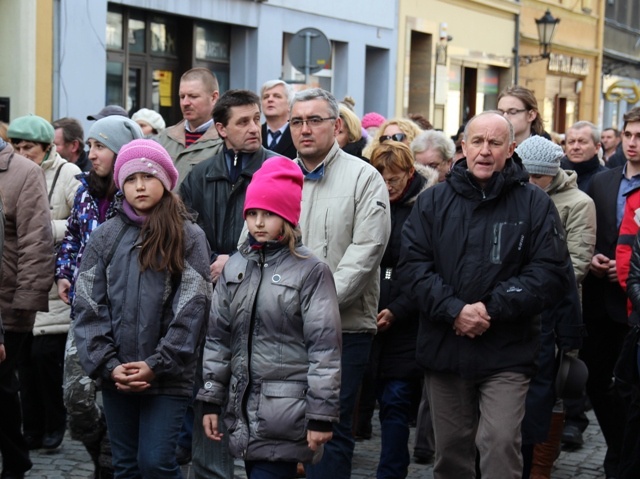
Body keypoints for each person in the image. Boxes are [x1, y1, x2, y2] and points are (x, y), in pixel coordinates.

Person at [397, 111, 568, 479]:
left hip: (507, 350)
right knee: (452, 454)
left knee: (500, 443)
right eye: (477, 141)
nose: (485, 151)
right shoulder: (433, 202)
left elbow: (549, 273)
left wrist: (491, 309)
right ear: (463, 147)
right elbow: (411, 268)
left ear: (511, 149)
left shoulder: (535, 204)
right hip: (445, 348)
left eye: (494, 143)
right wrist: (454, 310)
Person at [72, 139, 211, 478]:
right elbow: (88, 304)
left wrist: (156, 363)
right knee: (125, 465)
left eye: (148, 177)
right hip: (116, 376)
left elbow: (192, 308)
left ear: (165, 180)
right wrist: (108, 364)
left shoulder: (188, 236)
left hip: (167, 376)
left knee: (156, 462)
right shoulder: (106, 236)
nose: (139, 186)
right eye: (131, 179)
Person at [197, 156, 342, 478]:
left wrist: (321, 415)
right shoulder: (235, 267)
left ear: (287, 218)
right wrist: (210, 398)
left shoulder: (311, 271)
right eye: (253, 214)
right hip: (243, 408)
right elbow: (218, 339)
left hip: (287, 411)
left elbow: (325, 349)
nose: (259, 222)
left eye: (269, 214)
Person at [288, 88, 391, 479]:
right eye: (297, 121)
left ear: (335, 126)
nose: (304, 129)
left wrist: (316, 305)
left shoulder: (364, 178)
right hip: (283, 329)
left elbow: (366, 253)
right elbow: (254, 242)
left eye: (314, 120)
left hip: (343, 329)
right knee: (282, 429)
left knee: (328, 431)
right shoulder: (279, 174)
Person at [179, 88, 276, 478]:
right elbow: (183, 237)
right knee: (210, 393)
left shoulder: (278, 169)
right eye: (243, 122)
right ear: (220, 129)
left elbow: (292, 240)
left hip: (266, 304)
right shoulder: (199, 176)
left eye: (257, 119)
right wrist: (209, 265)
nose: (254, 128)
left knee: (263, 400)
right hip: (211, 304)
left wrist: (236, 260)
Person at [56, 116, 143, 478]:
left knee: (118, 395)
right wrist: (63, 272)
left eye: (100, 147)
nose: (92, 154)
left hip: (125, 312)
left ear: (122, 151)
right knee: (75, 398)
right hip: (84, 309)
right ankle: (99, 448)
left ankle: (111, 460)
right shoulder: (83, 191)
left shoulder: (139, 193)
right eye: (90, 146)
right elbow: (73, 237)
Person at [517, 135, 596, 478]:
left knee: (554, 392)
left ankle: (540, 465)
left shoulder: (578, 202)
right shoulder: (515, 196)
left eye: (538, 177)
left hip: (557, 309)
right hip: (517, 309)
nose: (531, 182)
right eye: (527, 175)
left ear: (553, 173)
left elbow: (577, 262)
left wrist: (532, 284)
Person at [8, 115, 82, 452]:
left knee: (45, 361)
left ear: (46, 148)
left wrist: (40, 227)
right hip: (17, 279)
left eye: (30, 147)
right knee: (22, 365)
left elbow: (82, 220)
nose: (23, 153)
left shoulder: (67, 174)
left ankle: (56, 425)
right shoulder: (10, 173)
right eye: (17, 146)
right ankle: (32, 429)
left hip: (55, 286)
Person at [368, 142, 437, 478]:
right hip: (366, 314)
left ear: (410, 174)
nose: (388, 185)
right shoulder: (368, 200)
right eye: (381, 178)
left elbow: (426, 268)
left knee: (396, 401)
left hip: (407, 323)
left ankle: (392, 472)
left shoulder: (426, 206)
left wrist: (398, 309)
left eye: (394, 179)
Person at [579, 106, 640, 478]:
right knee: (597, 381)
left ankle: (625, 459)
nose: (633, 143)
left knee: (631, 391)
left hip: (634, 306)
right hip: (601, 301)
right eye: (629, 135)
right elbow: (593, 234)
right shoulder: (603, 181)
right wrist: (593, 260)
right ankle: (618, 450)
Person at [0, 134, 54, 479]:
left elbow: (37, 241)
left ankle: (15, 460)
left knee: (3, 390)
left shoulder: (23, 172)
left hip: (7, 304)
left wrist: (25, 304)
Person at [157, 68, 222, 186]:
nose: (185, 103)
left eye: (193, 96)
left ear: (214, 97)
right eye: (182, 96)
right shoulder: (164, 138)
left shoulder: (225, 141)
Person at [561, 121, 607, 193]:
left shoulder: (607, 179)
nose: (575, 147)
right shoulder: (554, 175)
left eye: (582, 142)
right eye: (571, 142)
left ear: (597, 148)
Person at [260, 80, 297, 160]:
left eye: (277, 96)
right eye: (265, 97)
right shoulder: (255, 133)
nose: (270, 100)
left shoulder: (298, 133)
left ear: (289, 105)